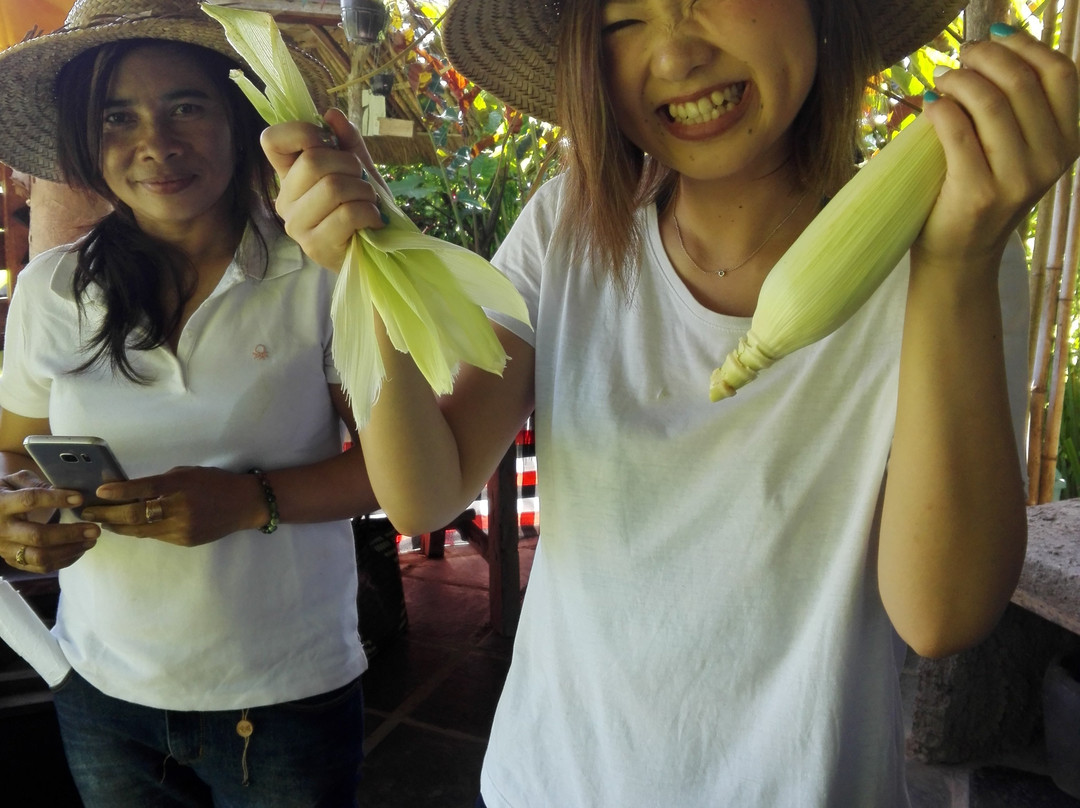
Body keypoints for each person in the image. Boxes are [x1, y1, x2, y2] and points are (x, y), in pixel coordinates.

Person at [262, 0, 1080, 804]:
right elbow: (427, 493)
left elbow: (940, 617)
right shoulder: (567, 227)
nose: (676, 55)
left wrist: (959, 263)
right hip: (551, 779)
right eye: (624, 19)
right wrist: (364, 268)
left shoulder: (947, 260)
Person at [0, 0, 380, 805]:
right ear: (85, 139)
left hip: (285, 694)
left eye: (187, 106)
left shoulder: (322, 275)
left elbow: (407, 474)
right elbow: (12, 451)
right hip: (103, 688)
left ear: (242, 120)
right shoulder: (52, 291)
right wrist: (20, 512)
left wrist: (250, 501)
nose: (155, 144)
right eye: (118, 116)